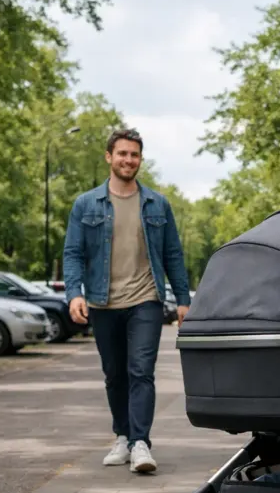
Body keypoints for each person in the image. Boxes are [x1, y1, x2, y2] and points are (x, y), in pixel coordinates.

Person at [63, 128, 192, 474]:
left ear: (140, 160)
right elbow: (73, 253)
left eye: (134, 155)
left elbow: (173, 254)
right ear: (109, 157)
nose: (128, 160)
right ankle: (122, 435)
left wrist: (183, 298)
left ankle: (140, 444)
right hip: (103, 303)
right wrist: (74, 293)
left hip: (145, 300)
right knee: (114, 374)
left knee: (141, 371)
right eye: (122, 154)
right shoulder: (86, 204)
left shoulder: (157, 203)